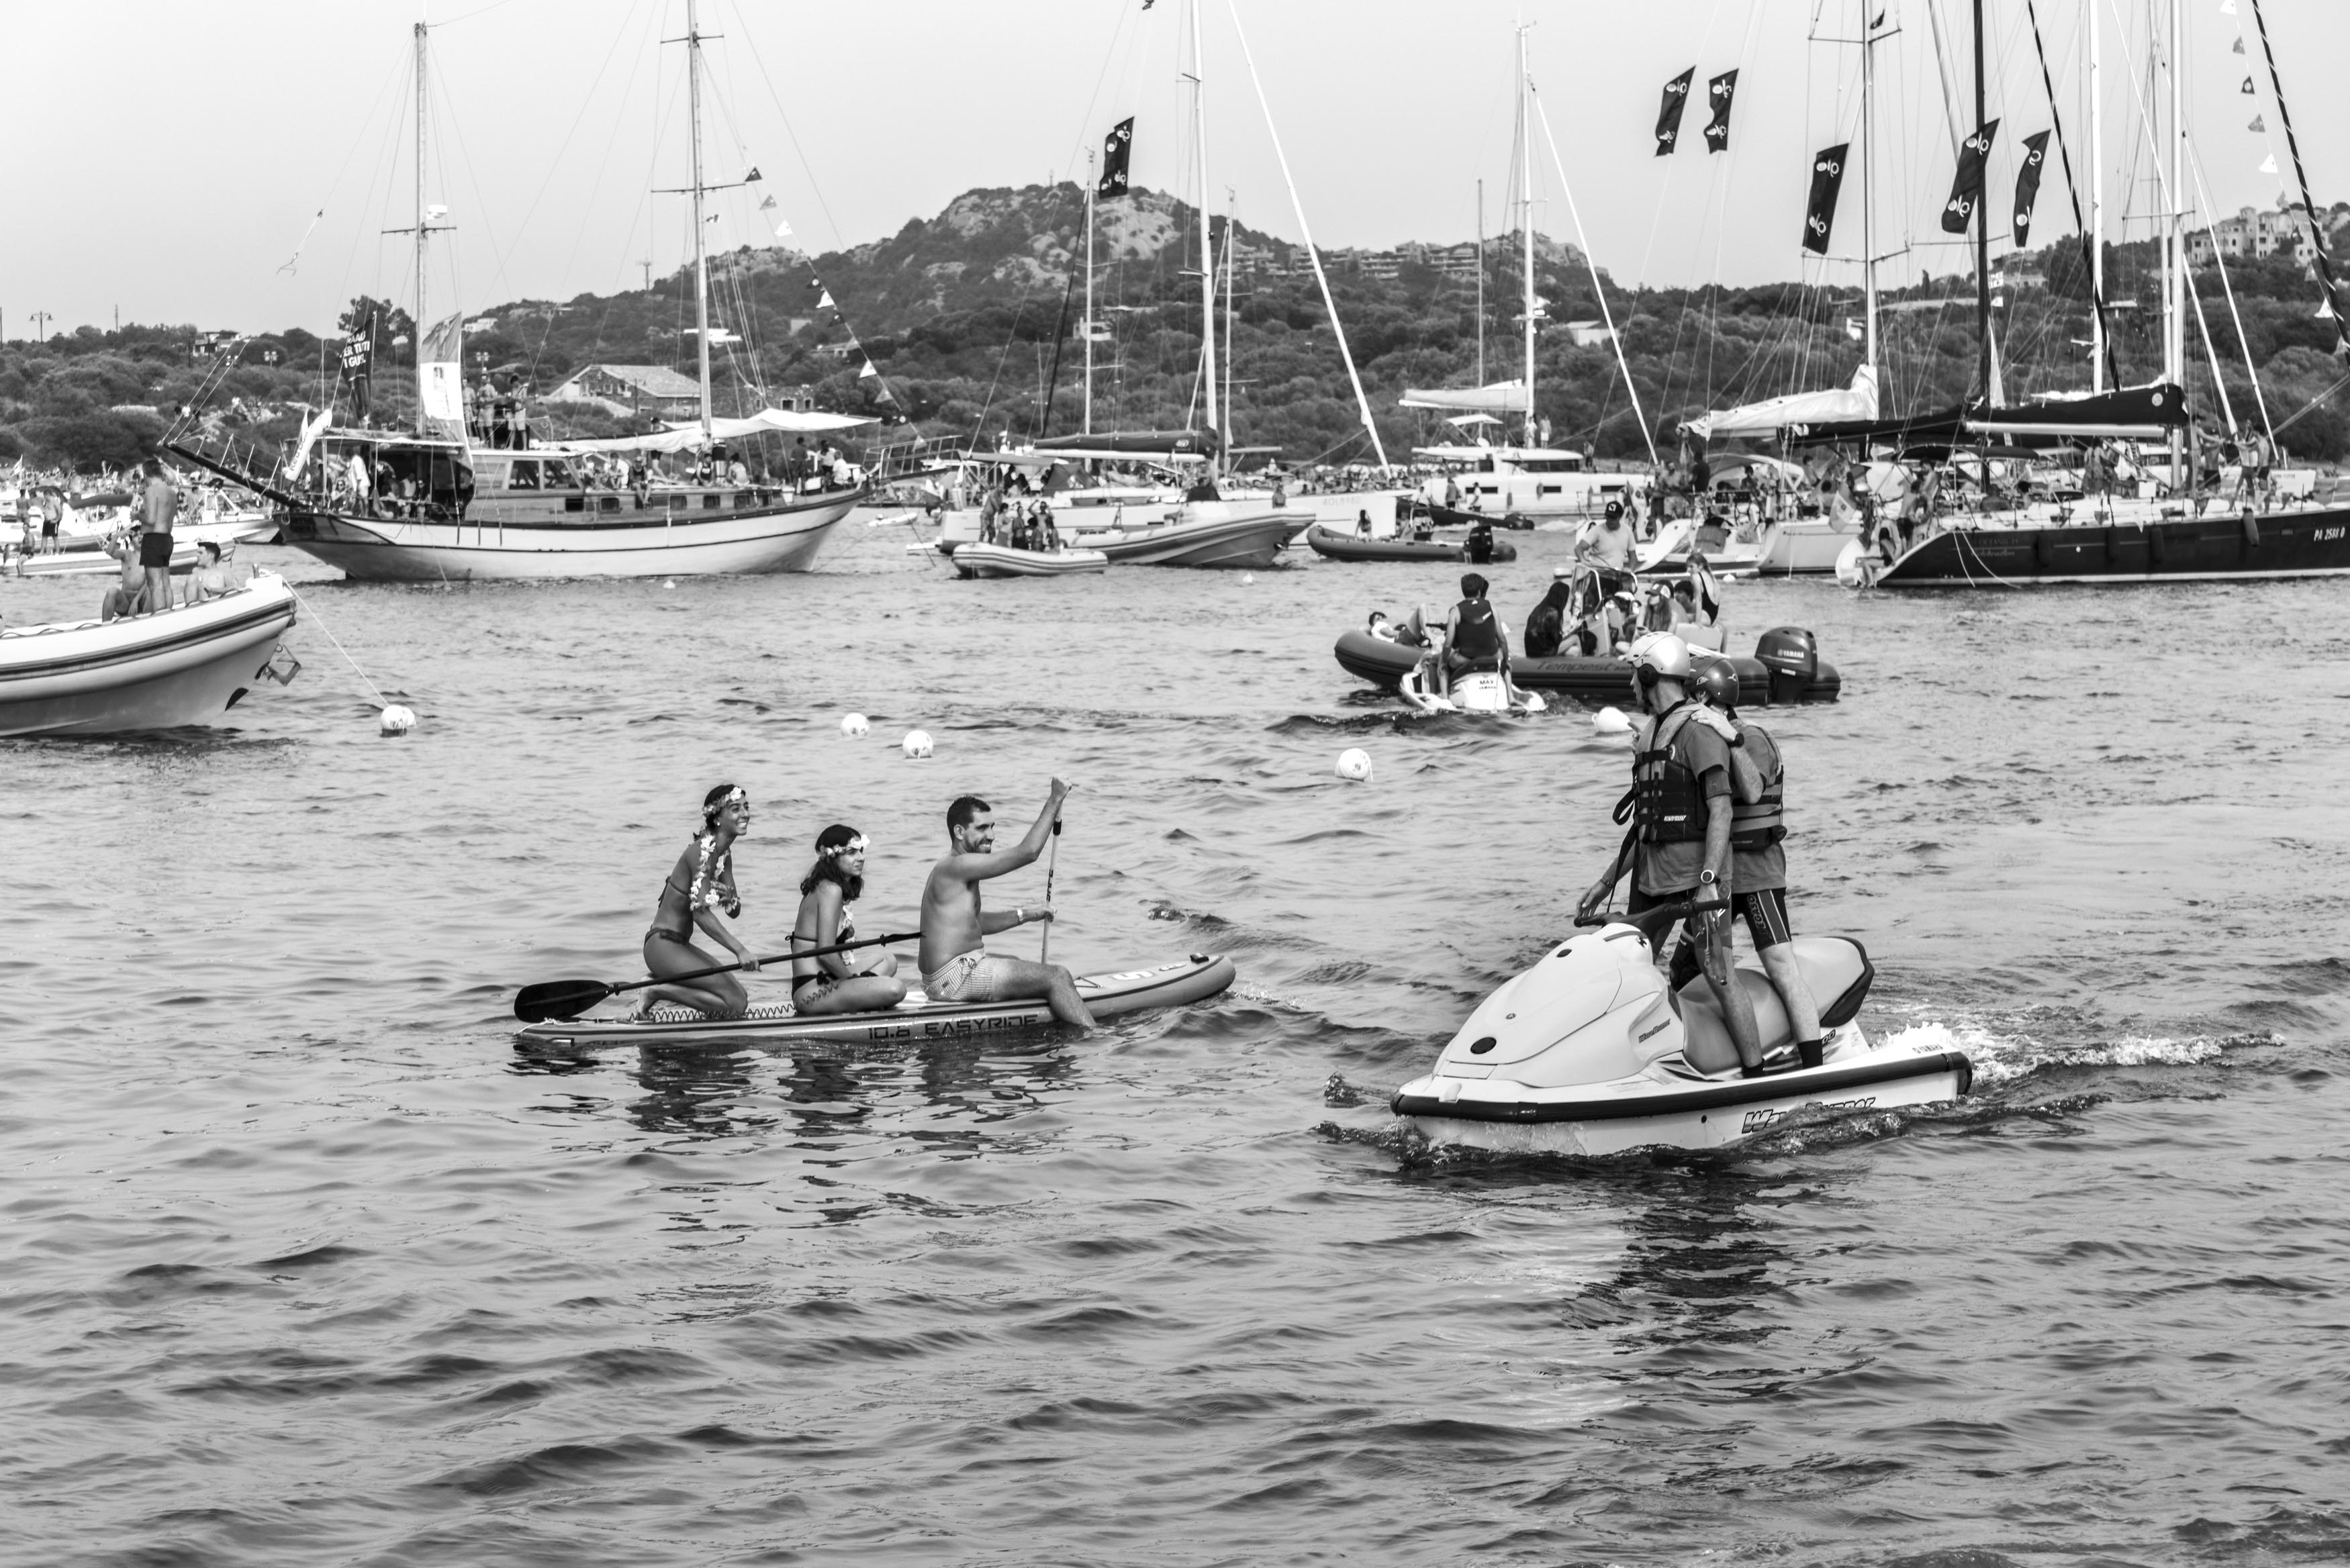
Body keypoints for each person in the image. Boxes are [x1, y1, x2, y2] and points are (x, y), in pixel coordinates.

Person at [1574, 633, 1769, 1077]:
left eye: (1634, 675)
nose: (1631, 685)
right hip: (1652, 877)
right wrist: (1606, 881)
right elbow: (1645, 827)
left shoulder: (1699, 731)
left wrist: (1708, 881)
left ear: (1650, 675)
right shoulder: (1648, 735)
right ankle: (1623, 1066)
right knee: (1625, 967)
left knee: (1718, 973)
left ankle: (1756, 1075)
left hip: (1700, 880)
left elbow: (1722, 810)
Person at [1687, 661, 1824, 1068]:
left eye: (1692, 699)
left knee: (1782, 968)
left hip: (1758, 875)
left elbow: (1751, 791)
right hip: (1719, 878)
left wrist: (1732, 739)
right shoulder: (1700, 742)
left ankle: (1814, 1069)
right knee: (1686, 968)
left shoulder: (1754, 739)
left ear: (1705, 698)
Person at [919, 782, 1096, 1030]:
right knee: (1057, 976)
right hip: (956, 977)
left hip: (943, 978)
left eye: (992, 827)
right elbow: (1028, 852)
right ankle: (1095, 1036)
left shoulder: (956, 868)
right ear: (959, 832)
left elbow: (975, 923)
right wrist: (1055, 799)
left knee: (1019, 963)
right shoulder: (956, 866)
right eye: (982, 828)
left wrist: (1026, 914)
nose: (991, 835)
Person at [632, 785, 760, 1021]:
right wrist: (740, 950)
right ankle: (655, 990)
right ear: (717, 818)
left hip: (679, 945)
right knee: (735, 1004)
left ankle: (659, 988)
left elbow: (734, 911)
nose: (745, 814)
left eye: (746, 807)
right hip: (662, 946)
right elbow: (700, 915)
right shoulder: (701, 853)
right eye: (736, 809)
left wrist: (731, 900)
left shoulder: (723, 855)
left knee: (740, 997)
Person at [789, 824, 907, 1016]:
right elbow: (826, 954)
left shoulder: (828, 886)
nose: (861, 858)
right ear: (832, 857)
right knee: (896, 989)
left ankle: (862, 996)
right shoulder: (830, 890)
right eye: (852, 853)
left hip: (831, 981)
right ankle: (864, 997)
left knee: (888, 960)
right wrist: (853, 982)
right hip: (813, 993)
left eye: (861, 851)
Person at [1440, 571, 1519, 701]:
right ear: (1479, 591)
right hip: (1492, 656)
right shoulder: (1492, 608)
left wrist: (1443, 662)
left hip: (1466, 658)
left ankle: (1445, 698)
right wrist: (1506, 661)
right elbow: (1502, 640)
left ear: (1463, 591)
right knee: (1505, 664)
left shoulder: (1456, 611)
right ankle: (1510, 697)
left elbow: (1448, 644)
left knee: (1443, 667)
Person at [138, 458, 177, 614]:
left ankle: (160, 617)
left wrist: (137, 516)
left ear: (146, 473)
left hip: (153, 539)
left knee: (155, 584)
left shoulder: (151, 491)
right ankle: (168, 614)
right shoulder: (172, 493)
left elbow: (151, 520)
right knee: (166, 582)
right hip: (167, 539)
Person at [1576, 498, 1634, 591]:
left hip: (1617, 577)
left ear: (1620, 517)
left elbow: (1633, 557)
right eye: (1608, 517)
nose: (1610, 520)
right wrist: (1583, 560)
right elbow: (1579, 548)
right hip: (1598, 576)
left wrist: (1630, 569)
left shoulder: (1627, 531)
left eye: (1613, 518)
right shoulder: (1597, 531)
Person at [1523, 569, 1572, 658]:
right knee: (1575, 639)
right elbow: (1556, 640)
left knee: (1571, 651)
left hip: (1530, 652)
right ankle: (1586, 664)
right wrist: (1565, 635)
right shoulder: (1554, 613)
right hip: (1545, 653)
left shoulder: (1538, 609)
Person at [99, 532, 146, 620]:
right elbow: (110, 552)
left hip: (142, 603)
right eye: (136, 536)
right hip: (125, 604)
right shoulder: (127, 554)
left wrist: (136, 600)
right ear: (132, 542)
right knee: (112, 591)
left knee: (151, 589)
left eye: (142, 535)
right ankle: (106, 625)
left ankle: (152, 621)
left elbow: (149, 582)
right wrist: (117, 536)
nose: (140, 537)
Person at [181, 540, 231, 605]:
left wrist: (212, 590)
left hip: (217, 604)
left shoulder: (223, 572)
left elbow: (234, 588)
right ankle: (190, 609)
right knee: (192, 578)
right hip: (200, 606)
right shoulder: (196, 571)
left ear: (211, 555)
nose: (197, 556)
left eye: (200, 553)